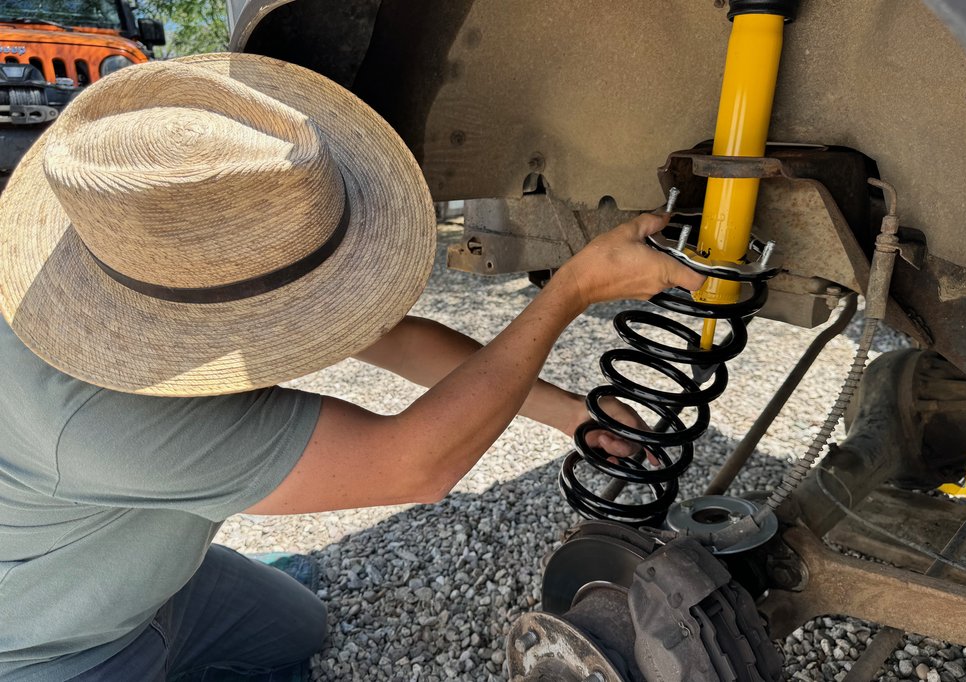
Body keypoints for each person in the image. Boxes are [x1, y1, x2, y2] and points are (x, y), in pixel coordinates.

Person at [0, 54, 704, 681]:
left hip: (145, 574)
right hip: (55, 646)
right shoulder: (100, 419)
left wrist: (572, 414)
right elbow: (414, 464)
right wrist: (571, 290)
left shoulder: (120, 268)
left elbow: (394, 341)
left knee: (301, 629)